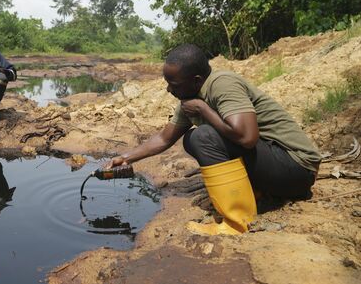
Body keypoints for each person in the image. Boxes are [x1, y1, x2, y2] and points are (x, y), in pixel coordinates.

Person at [107, 44, 321, 236]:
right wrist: (125, 158)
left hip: (297, 169)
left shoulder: (222, 84)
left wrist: (203, 109)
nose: (169, 90)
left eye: (174, 84)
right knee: (191, 139)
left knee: (202, 136)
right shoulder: (189, 97)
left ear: (196, 81)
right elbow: (164, 139)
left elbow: (247, 138)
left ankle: (236, 222)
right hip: (276, 168)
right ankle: (253, 193)